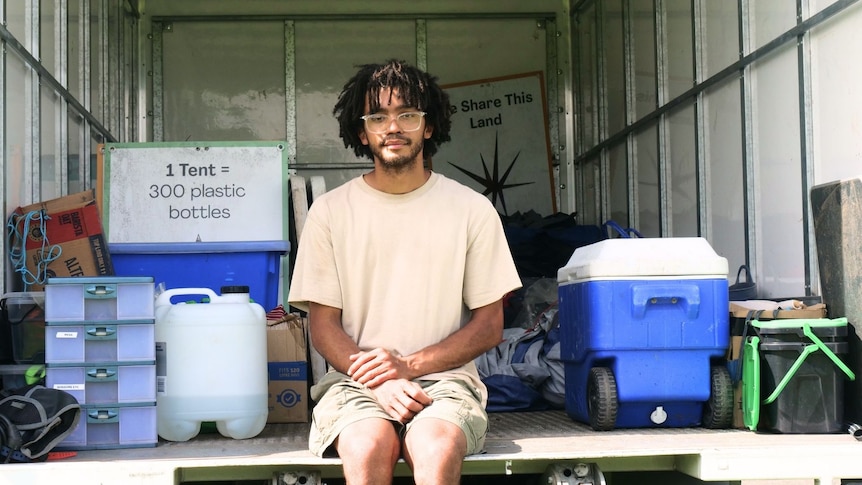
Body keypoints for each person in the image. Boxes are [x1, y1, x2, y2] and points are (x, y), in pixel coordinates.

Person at [288, 59, 522, 485]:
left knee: (436, 447)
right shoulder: (329, 212)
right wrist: (381, 381)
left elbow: (489, 326)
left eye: (407, 114)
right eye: (378, 117)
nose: (393, 127)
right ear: (362, 132)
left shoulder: (472, 209)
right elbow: (322, 327)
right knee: (368, 445)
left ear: (428, 126)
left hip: (447, 383)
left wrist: (407, 366)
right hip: (355, 382)